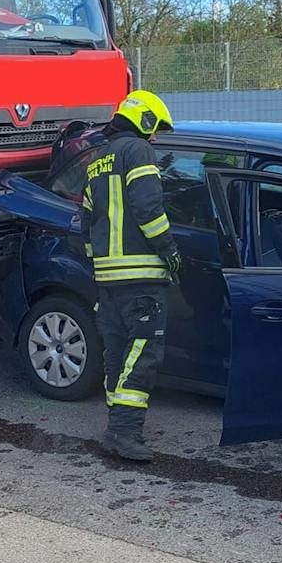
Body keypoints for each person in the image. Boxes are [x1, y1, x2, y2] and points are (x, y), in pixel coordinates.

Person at [83, 90, 180, 462]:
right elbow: (148, 207)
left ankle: (117, 424)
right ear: (146, 121)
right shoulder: (137, 152)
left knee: (118, 352)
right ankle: (123, 433)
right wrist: (169, 249)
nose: (155, 138)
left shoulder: (96, 159)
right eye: (156, 129)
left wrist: (100, 265)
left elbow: (86, 221)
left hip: (107, 279)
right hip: (141, 276)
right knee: (143, 354)